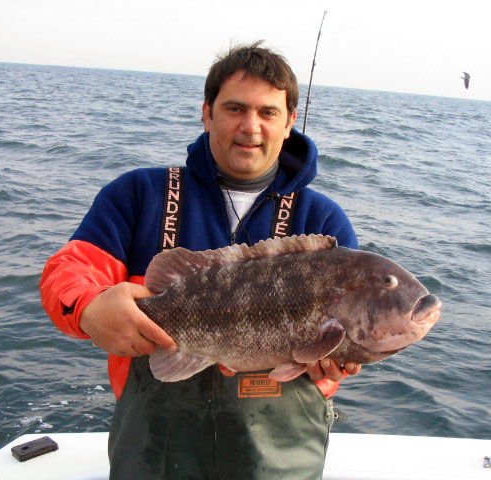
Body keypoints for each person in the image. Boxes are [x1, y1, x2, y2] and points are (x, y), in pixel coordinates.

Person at [40, 41, 361, 479]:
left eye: (268, 112)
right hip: (154, 451)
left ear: (289, 123)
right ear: (206, 113)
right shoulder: (140, 194)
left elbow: (340, 347)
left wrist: (335, 363)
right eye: (234, 108)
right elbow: (68, 273)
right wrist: (91, 307)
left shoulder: (322, 220)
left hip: (277, 454)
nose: (251, 127)